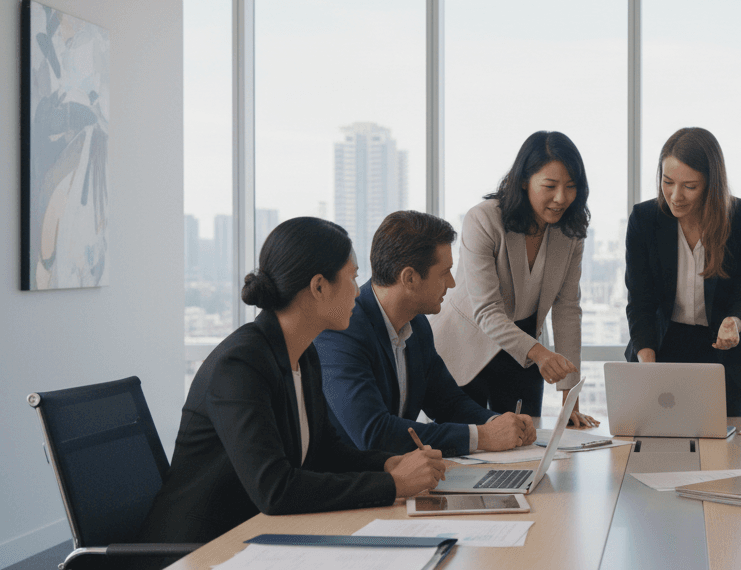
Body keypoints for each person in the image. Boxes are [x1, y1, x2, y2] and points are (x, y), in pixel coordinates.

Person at [138, 217, 447, 546]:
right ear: (318, 286)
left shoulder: (303, 354)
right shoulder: (239, 365)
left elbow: (325, 452)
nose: (358, 292)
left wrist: (387, 463)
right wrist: (394, 485)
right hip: (197, 552)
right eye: (352, 278)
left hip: (258, 540)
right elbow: (275, 489)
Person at [315, 210, 536, 457]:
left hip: (400, 478)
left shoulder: (418, 326)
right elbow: (374, 433)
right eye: (444, 272)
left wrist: (499, 423)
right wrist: (482, 437)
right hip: (354, 484)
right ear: (410, 278)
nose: (451, 283)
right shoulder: (342, 331)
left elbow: (449, 403)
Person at [430, 131, 596, 426]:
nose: (561, 198)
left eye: (571, 187)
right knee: (464, 451)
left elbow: (567, 310)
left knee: (525, 446)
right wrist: (542, 354)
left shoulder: (570, 231)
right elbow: (487, 310)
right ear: (524, 181)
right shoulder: (483, 219)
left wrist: (570, 400)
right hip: (468, 343)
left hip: (525, 350)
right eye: (550, 186)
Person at [625, 127, 741, 416]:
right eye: (667, 182)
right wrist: (647, 366)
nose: (676, 196)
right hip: (661, 347)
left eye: (690, 186)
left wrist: (735, 323)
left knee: (725, 453)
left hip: (723, 351)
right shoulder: (645, 219)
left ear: (712, 184)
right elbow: (641, 302)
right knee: (659, 448)